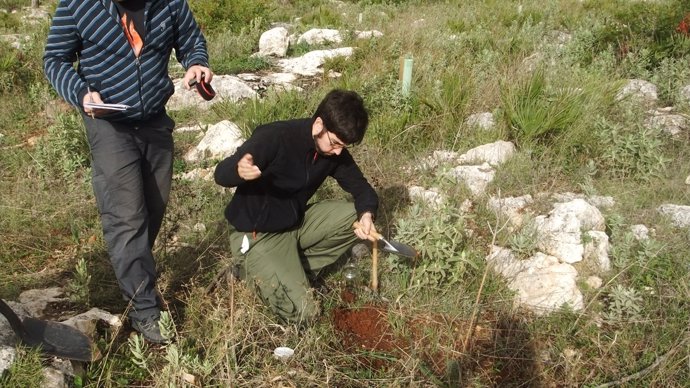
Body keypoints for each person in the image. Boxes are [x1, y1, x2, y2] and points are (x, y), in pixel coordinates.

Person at [43, 0, 212, 344]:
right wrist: (80, 94)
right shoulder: (78, 5)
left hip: (154, 121)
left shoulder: (170, 3)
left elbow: (191, 39)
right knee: (127, 217)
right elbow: (54, 59)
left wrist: (197, 63)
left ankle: (134, 276)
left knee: (153, 208)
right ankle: (145, 309)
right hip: (109, 125)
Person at [214, 89, 379, 325]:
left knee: (353, 216)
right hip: (257, 235)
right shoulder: (276, 136)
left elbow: (362, 189)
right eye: (335, 143)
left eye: (345, 146)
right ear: (319, 124)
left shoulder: (334, 151)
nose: (339, 151)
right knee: (305, 313)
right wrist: (238, 171)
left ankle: (293, 269)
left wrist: (367, 215)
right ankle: (246, 270)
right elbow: (220, 173)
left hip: (296, 223)